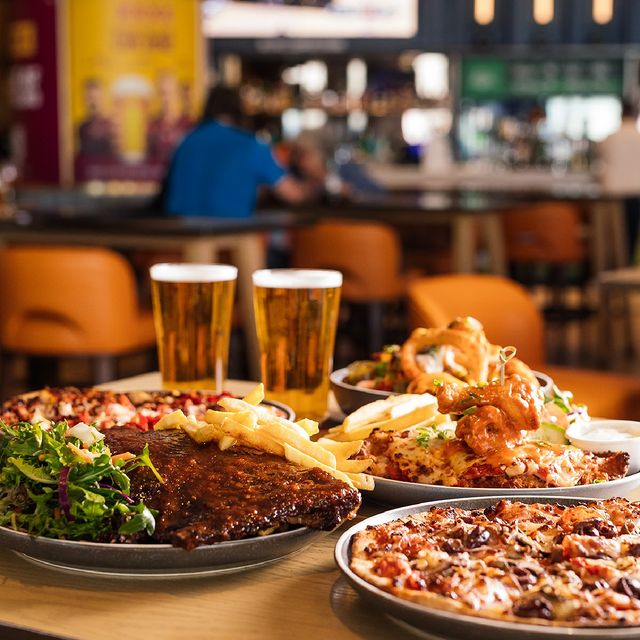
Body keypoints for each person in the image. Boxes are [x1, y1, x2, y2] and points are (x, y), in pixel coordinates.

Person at [164, 86, 321, 218]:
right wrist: (316, 179)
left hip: (178, 237)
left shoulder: (186, 141)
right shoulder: (250, 145)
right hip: (229, 238)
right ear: (239, 111)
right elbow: (293, 194)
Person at [597, 100, 640, 263]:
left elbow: (601, 161)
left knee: (613, 235)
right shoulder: (638, 137)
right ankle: (628, 264)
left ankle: (616, 264)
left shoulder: (610, 138)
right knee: (632, 233)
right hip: (636, 190)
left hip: (613, 192)